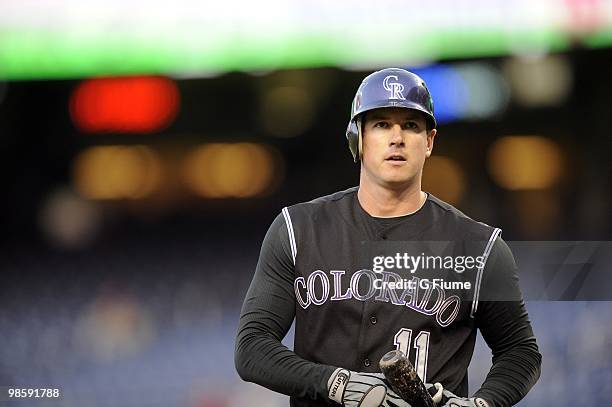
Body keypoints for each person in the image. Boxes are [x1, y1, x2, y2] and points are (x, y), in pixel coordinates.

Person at [235, 68, 541, 407]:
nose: (397, 137)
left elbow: (520, 352)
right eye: (381, 124)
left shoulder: (477, 248)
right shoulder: (297, 229)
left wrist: (483, 404)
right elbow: (252, 348)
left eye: (411, 125)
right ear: (358, 138)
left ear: (429, 141)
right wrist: (337, 383)